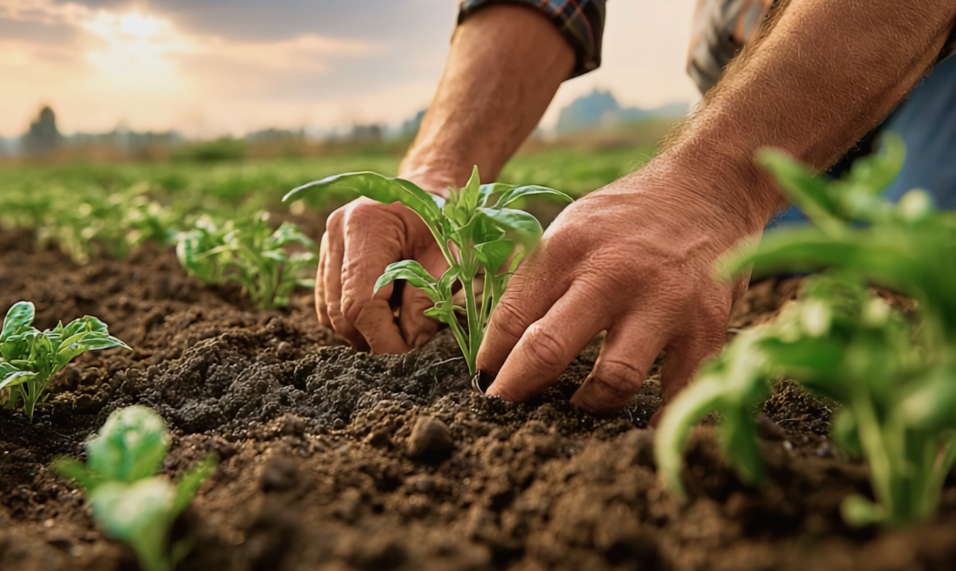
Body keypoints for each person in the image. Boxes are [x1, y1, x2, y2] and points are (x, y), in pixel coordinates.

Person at [315, 1, 956, 420]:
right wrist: (438, 172)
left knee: (914, 244)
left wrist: (716, 184)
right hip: (765, 61)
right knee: (717, 262)